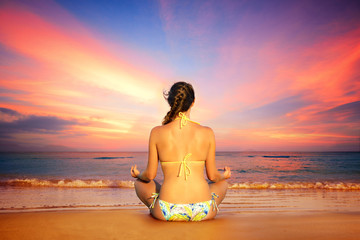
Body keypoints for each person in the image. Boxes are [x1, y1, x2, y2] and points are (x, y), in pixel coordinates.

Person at [130, 82, 231, 221]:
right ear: (193, 102)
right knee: (222, 183)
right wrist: (224, 175)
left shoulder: (157, 132)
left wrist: (138, 174)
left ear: (171, 102)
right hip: (203, 210)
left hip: (167, 211)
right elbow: (213, 176)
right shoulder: (207, 132)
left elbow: (150, 175)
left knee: (139, 183)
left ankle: (158, 210)